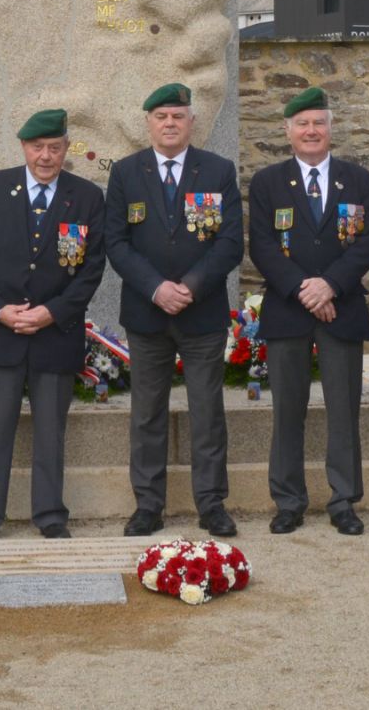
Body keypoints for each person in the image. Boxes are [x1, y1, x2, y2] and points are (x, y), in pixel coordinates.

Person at [0, 108, 108, 540]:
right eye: (38, 147)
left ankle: (50, 514)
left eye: (55, 148)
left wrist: (52, 312)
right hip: (0, 333)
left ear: (66, 149)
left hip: (55, 334)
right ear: (24, 147)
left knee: (50, 432)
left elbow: (91, 268)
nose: (46, 156)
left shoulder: (86, 196)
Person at [103, 83, 243, 538]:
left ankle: (211, 504)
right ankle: (148, 505)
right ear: (148, 123)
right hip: (147, 314)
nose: (169, 123)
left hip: (201, 314)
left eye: (178, 116)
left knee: (207, 411)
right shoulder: (126, 172)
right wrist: (156, 288)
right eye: (161, 116)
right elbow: (116, 243)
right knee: (147, 412)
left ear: (191, 122)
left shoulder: (218, 171)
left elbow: (229, 243)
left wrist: (190, 287)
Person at [247, 85, 369, 536]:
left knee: (344, 411)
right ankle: (288, 501)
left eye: (318, 123)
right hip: (288, 310)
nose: (311, 131)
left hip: (342, 308)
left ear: (330, 129)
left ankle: (344, 501)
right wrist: (305, 290)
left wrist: (331, 286)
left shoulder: (358, 180)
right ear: (288, 131)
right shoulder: (268, 182)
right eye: (302, 124)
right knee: (288, 411)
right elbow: (262, 245)